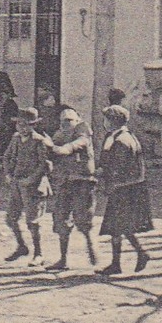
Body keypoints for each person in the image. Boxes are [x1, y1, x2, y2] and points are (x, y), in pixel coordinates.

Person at [96, 105, 152, 276]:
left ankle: (134, 256)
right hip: (126, 188)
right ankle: (127, 259)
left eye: (106, 119)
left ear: (113, 121)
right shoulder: (120, 136)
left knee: (118, 225)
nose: (104, 122)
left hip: (125, 189)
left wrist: (101, 174)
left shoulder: (121, 140)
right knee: (119, 226)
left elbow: (118, 167)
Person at [45, 106, 98, 272]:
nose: (66, 123)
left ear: (77, 119)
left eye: (69, 120)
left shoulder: (83, 133)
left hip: (82, 181)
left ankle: (91, 245)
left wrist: (56, 148)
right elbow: (50, 153)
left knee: (83, 219)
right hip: (64, 181)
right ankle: (63, 259)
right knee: (61, 219)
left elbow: (73, 146)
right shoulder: (59, 135)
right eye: (63, 121)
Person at [2, 106, 52, 267]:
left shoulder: (39, 141)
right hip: (17, 183)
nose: (22, 128)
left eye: (26, 125)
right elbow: (7, 157)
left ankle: (39, 253)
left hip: (34, 187)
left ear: (33, 125)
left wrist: (31, 179)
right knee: (11, 219)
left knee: (33, 221)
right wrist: (8, 174)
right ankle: (21, 246)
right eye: (19, 124)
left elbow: (43, 165)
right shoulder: (15, 139)